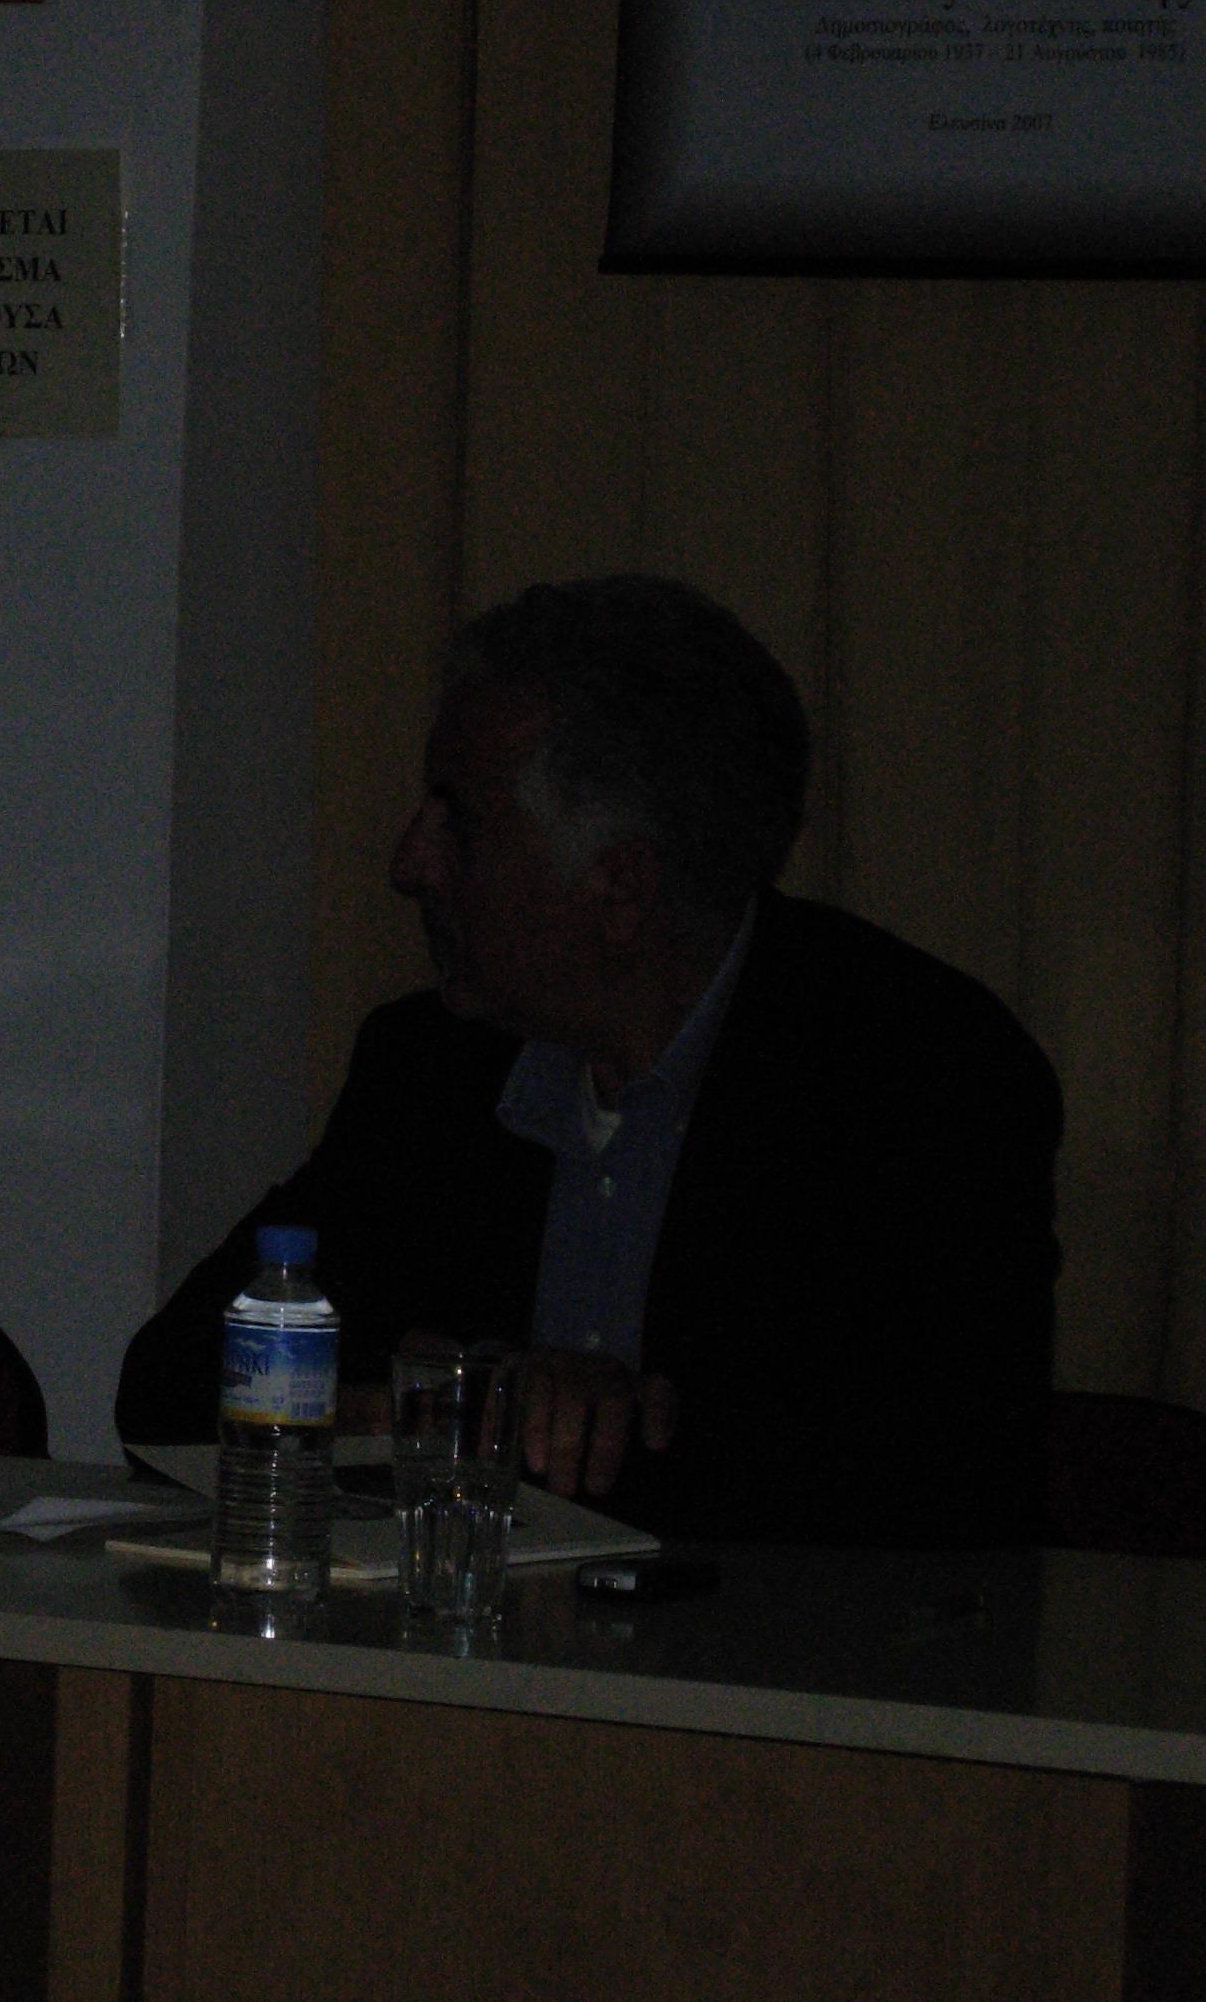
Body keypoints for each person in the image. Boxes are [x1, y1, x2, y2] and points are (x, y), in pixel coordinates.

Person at [117, 575, 1062, 1547]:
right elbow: (164, 1388)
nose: (409, 863)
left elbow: (928, 1482)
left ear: (619, 888)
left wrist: (588, 1422)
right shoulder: (431, 1069)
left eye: (457, 821)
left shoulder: (917, 1080)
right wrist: (406, 1406)